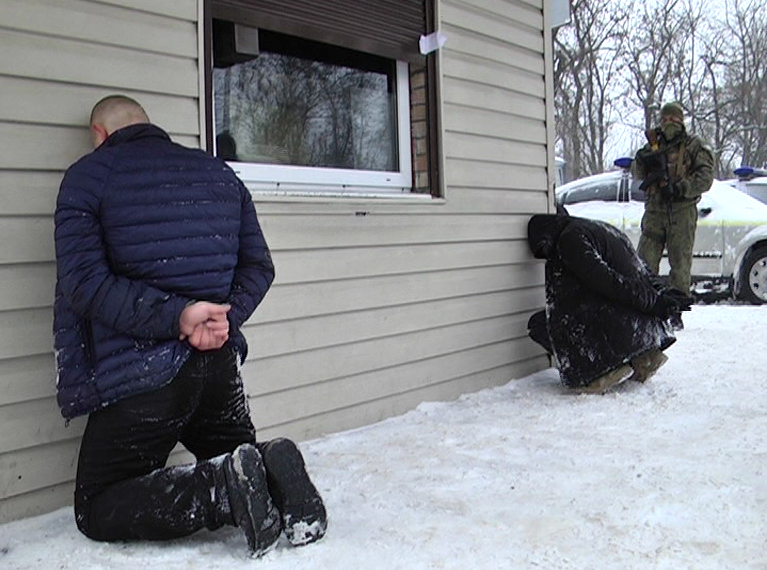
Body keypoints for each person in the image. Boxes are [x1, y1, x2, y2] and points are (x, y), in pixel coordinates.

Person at [53, 95, 326, 556]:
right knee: (242, 464)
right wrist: (223, 319)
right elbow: (259, 268)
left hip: (140, 376)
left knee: (97, 504)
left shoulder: (88, 176)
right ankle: (273, 471)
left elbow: (83, 283)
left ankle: (220, 490)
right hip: (216, 366)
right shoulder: (219, 172)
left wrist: (179, 318)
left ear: (99, 134)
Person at [527, 212, 693, 394]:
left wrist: (655, 303)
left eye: (543, 251)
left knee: (541, 324)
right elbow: (641, 271)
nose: (548, 256)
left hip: (625, 325)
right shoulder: (603, 229)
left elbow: (610, 283)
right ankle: (643, 358)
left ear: (546, 236)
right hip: (642, 329)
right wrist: (662, 295)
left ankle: (603, 373)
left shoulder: (570, 239)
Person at [633, 101, 714, 325]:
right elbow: (637, 171)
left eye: (673, 119)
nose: (669, 124)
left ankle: (675, 313)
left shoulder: (693, 146)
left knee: (680, 264)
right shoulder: (652, 145)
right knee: (645, 262)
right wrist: (643, 159)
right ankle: (647, 308)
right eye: (665, 119)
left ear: (681, 121)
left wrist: (680, 188)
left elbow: (705, 177)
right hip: (654, 211)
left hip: (681, 211)